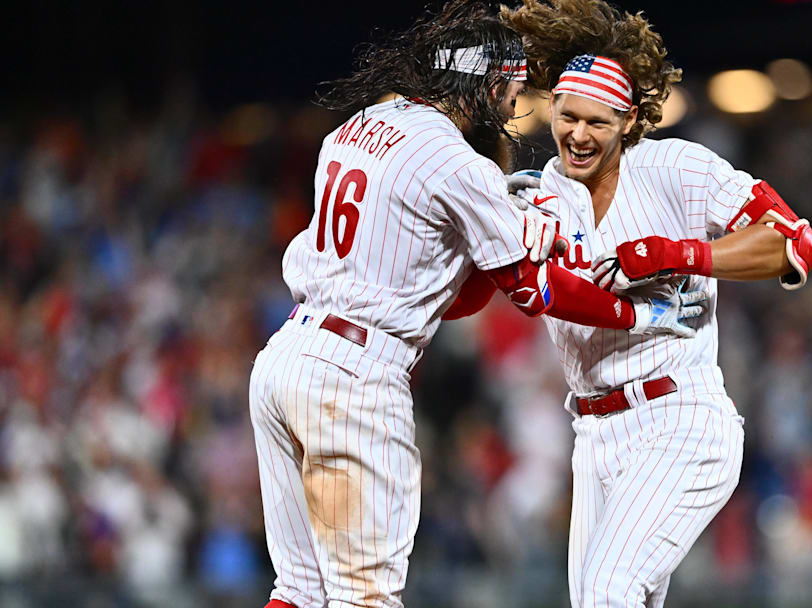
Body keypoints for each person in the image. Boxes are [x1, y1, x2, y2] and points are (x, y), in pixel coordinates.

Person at [246, 2, 706, 607]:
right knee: (368, 596)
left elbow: (446, 297)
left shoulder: (354, 127)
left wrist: (486, 236)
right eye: (511, 90)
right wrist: (640, 314)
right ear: (486, 85)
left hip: (285, 359)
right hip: (353, 380)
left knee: (298, 589)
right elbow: (531, 289)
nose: (513, 108)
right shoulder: (456, 162)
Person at [497, 1, 812, 606]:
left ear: (628, 122)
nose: (577, 134)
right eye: (567, 117)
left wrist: (681, 254)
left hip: (680, 417)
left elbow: (792, 241)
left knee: (609, 588)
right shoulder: (541, 198)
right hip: (592, 434)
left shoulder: (674, 167)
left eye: (597, 122)